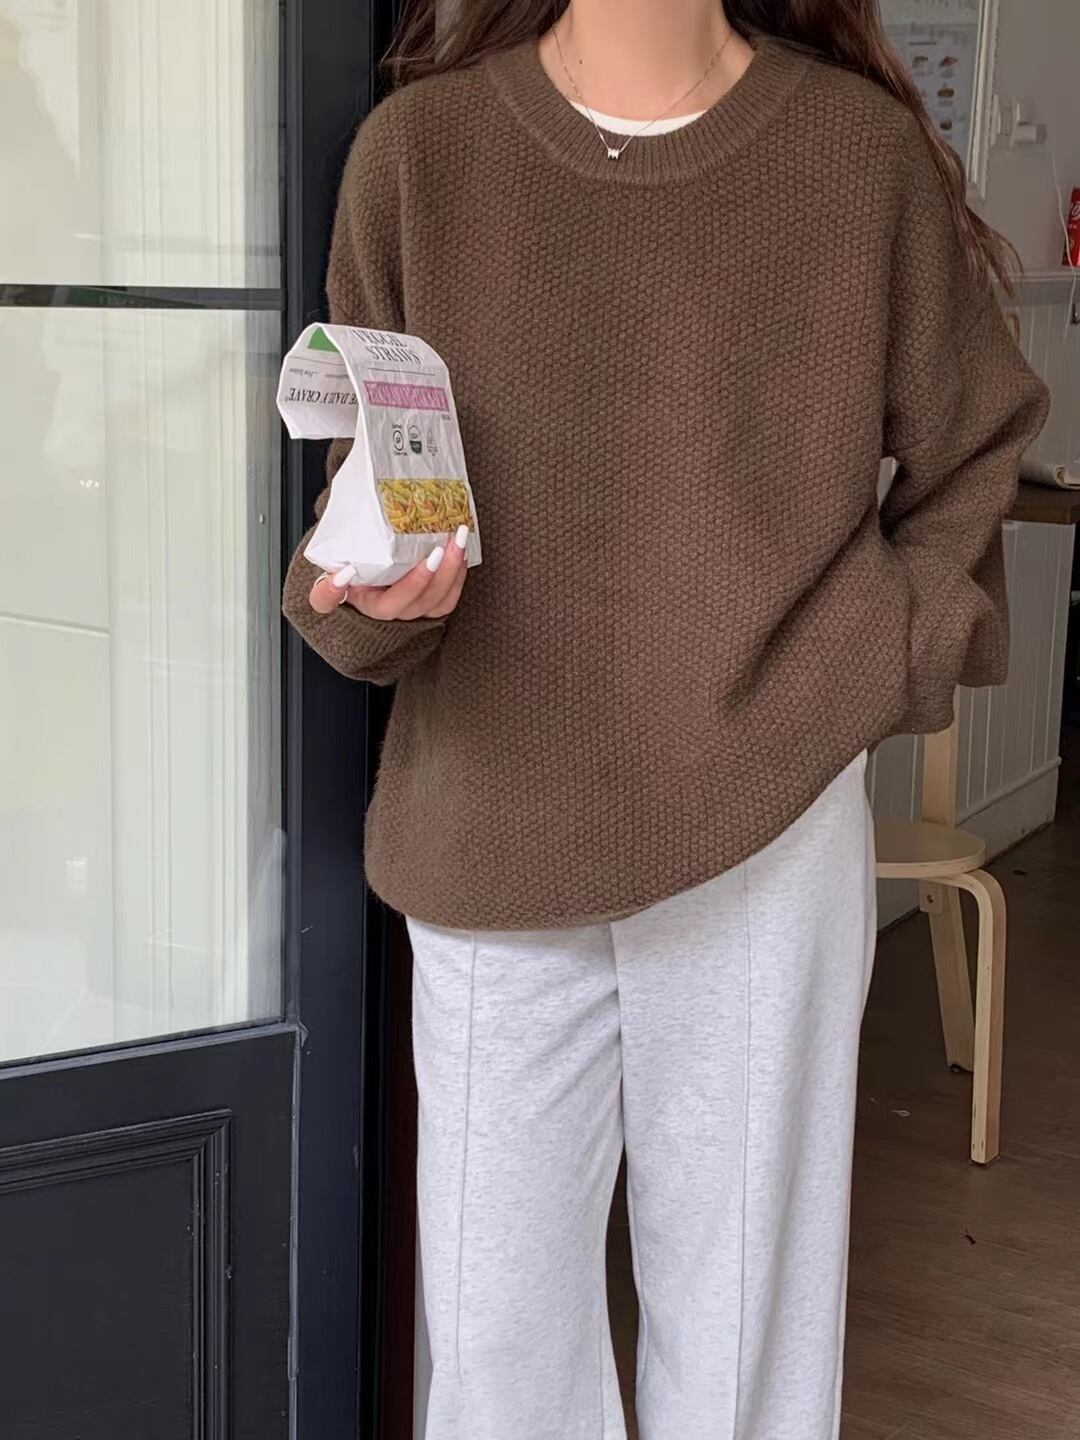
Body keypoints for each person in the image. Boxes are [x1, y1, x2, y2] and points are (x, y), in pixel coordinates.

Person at [282, 2, 1049, 1435]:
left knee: (748, 1334)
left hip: (766, 819)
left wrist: (868, 660)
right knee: (497, 1352)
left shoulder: (855, 159)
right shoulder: (419, 158)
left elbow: (977, 446)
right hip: (490, 823)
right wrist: (370, 592)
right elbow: (374, 485)